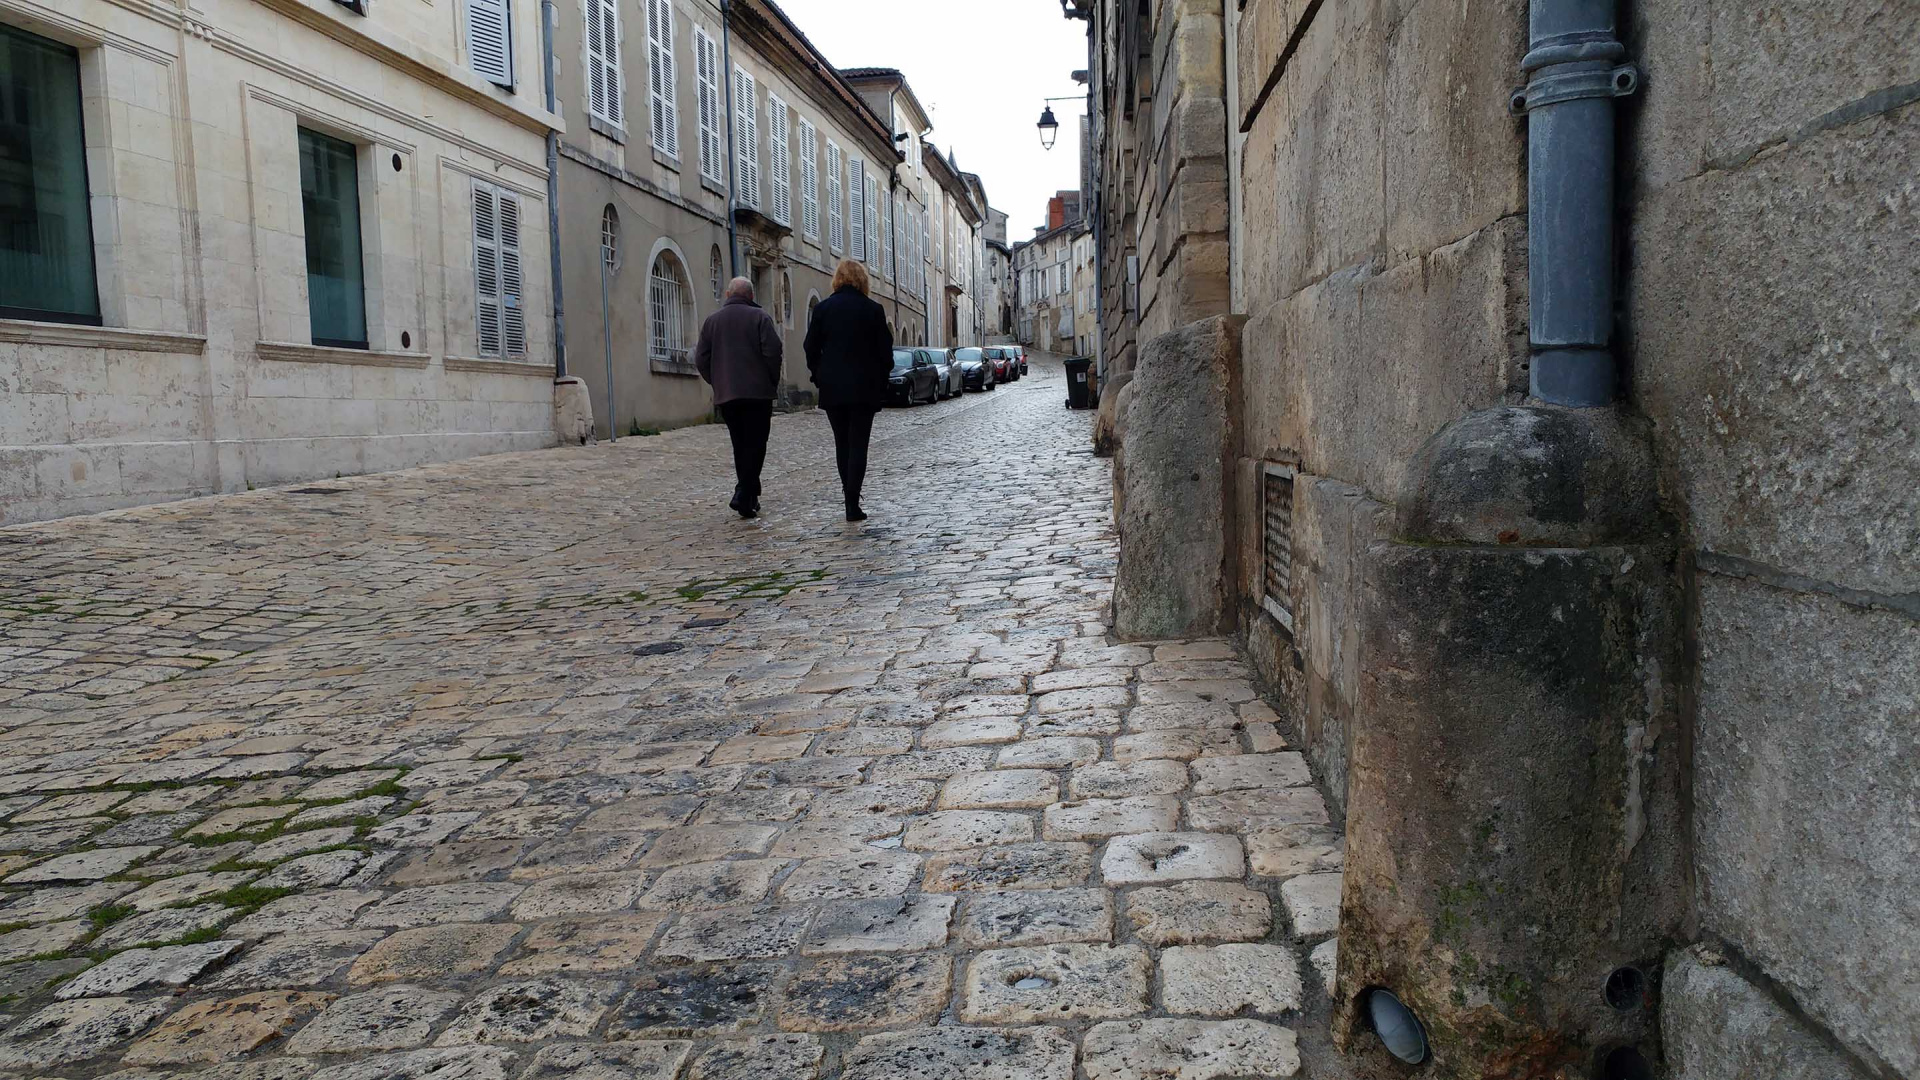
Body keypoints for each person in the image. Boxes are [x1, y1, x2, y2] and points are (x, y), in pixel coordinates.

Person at [804, 258, 892, 521]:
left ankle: (848, 496)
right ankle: (852, 502)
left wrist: (818, 375)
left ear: (838, 280)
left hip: (833, 387)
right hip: (865, 388)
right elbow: (885, 352)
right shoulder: (873, 310)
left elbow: (810, 347)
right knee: (858, 445)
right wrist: (880, 378)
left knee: (842, 443)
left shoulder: (823, 309)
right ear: (863, 281)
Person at [694, 276, 783, 519]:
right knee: (757, 444)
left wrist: (718, 381)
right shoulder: (760, 317)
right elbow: (773, 352)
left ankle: (748, 495)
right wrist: (771, 380)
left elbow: (701, 358)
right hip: (758, 394)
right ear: (751, 296)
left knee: (740, 444)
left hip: (728, 395)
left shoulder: (712, 321)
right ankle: (744, 493)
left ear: (727, 295)